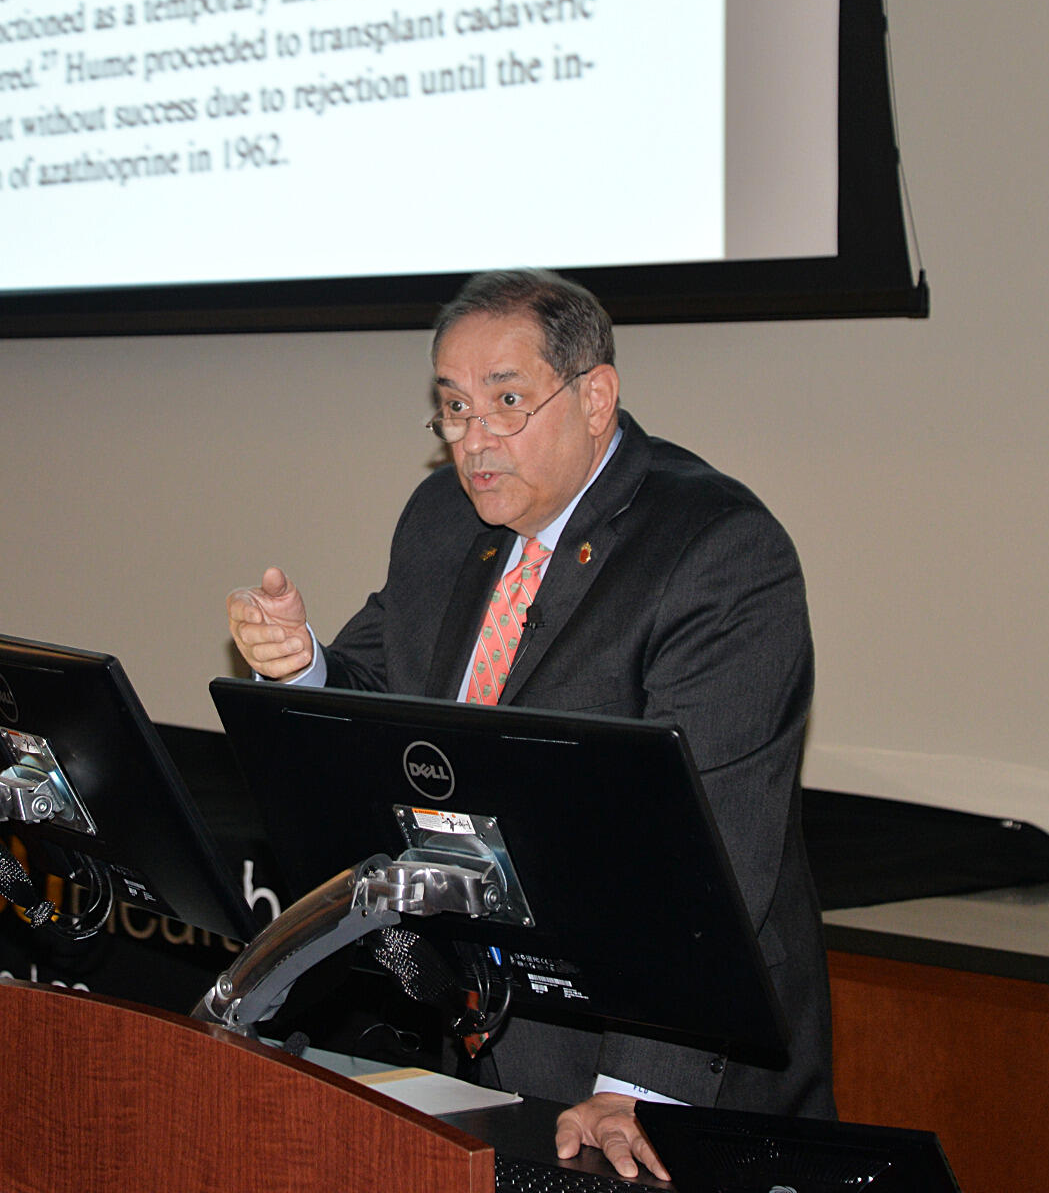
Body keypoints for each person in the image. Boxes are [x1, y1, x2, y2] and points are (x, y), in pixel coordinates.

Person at [226, 269, 833, 1180]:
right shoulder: (440, 518)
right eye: (455, 409)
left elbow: (712, 853)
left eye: (506, 402)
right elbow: (377, 692)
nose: (475, 442)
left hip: (669, 1059)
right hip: (484, 1016)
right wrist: (300, 660)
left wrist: (638, 1084)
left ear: (596, 396)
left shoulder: (717, 550)